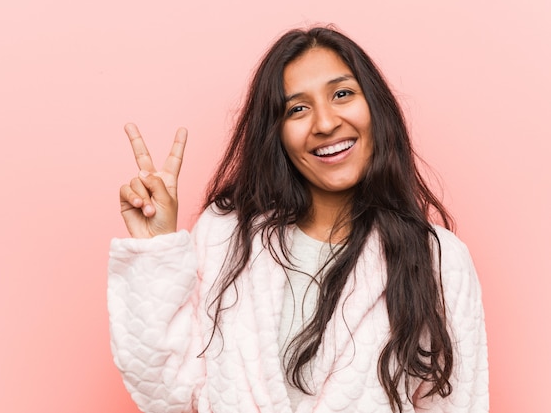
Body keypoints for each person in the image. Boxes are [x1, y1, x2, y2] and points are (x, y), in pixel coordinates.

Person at [108, 26, 488, 413]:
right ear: (277, 133)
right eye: (297, 109)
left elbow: (457, 403)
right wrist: (155, 249)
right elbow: (168, 391)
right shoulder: (225, 234)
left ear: (376, 107)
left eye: (342, 94)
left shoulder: (438, 260)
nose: (324, 123)